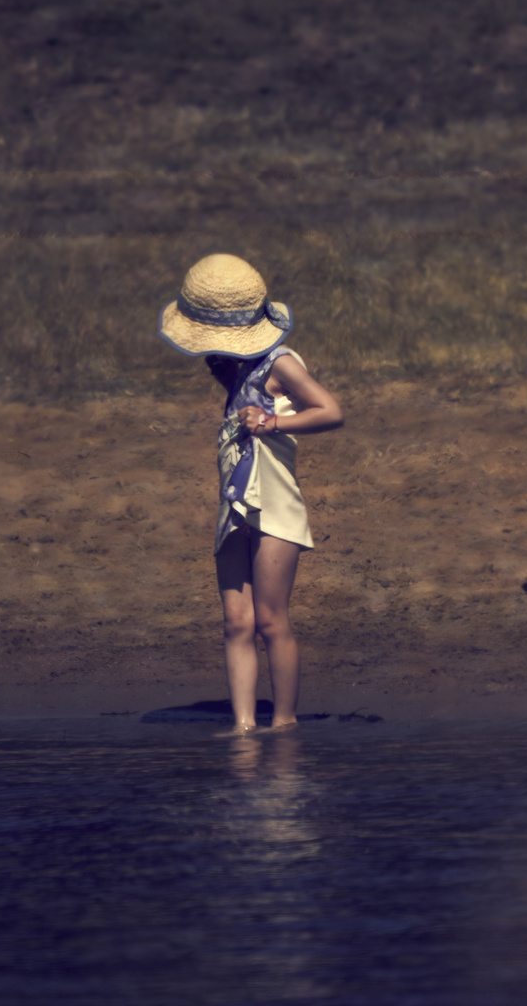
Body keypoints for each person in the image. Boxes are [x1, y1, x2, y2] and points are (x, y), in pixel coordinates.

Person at [159, 254, 343, 736]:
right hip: (234, 504)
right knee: (236, 623)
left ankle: (283, 723)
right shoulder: (231, 366)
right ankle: (243, 728)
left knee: (270, 619)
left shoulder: (279, 362)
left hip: (275, 503)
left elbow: (331, 411)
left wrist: (273, 421)